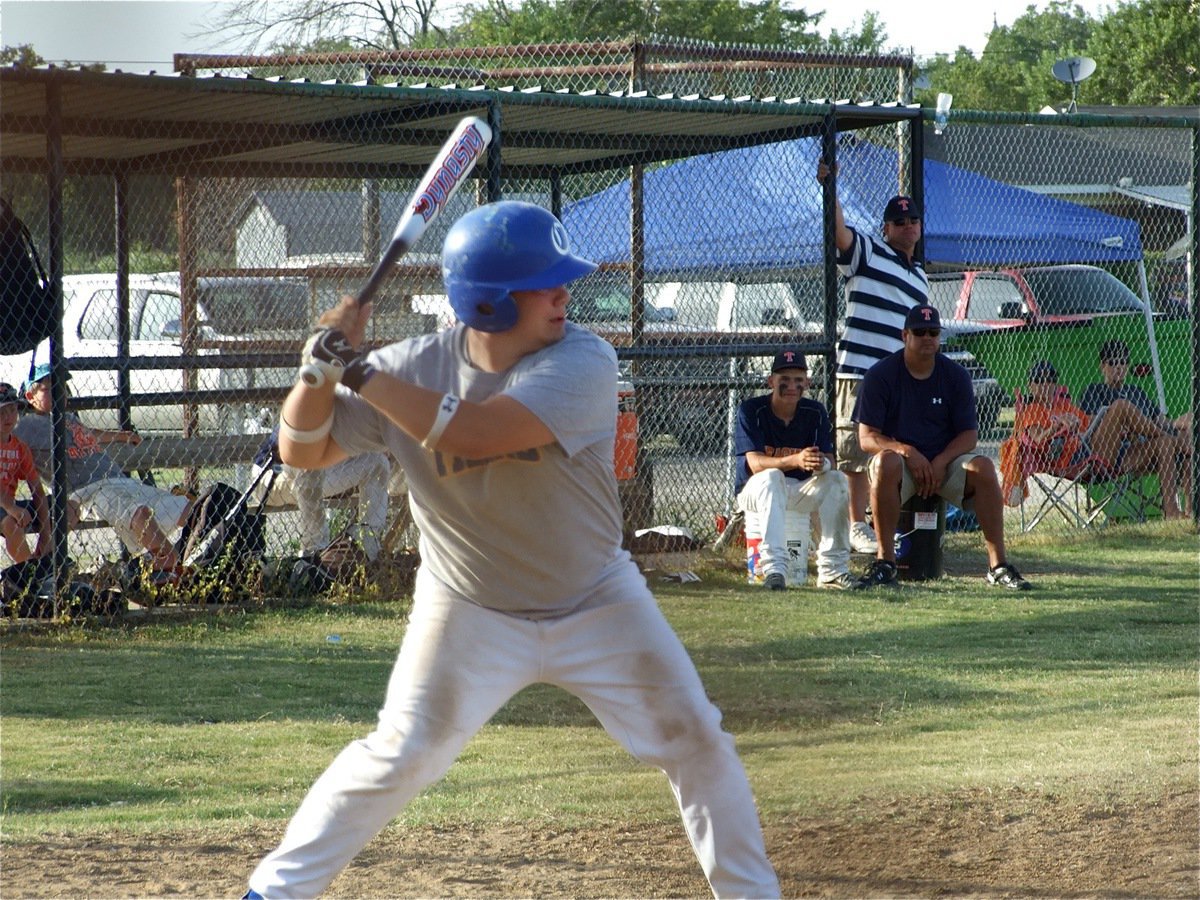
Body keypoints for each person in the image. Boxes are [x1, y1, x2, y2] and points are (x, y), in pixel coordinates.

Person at [243, 201, 780, 899]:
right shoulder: (415, 366)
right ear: (491, 303)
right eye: (543, 283)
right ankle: (272, 893)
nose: (564, 294)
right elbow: (301, 450)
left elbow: (479, 432)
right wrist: (315, 373)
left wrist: (360, 371)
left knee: (696, 739)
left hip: (595, 599)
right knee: (400, 754)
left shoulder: (583, 359)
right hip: (468, 605)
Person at [852, 305, 1032, 591]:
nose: (927, 338)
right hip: (902, 465)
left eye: (933, 332)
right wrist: (907, 451)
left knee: (984, 467)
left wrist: (940, 461)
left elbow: (969, 436)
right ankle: (885, 563)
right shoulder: (880, 374)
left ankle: (998, 566)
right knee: (885, 462)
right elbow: (867, 438)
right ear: (905, 335)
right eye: (920, 332)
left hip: (944, 466)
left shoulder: (955, 375)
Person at [816, 159, 929, 556]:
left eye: (913, 220)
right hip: (860, 371)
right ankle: (856, 525)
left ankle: (885, 528)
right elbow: (839, 233)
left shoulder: (921, 277)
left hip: (897, 379)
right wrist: (830, 188)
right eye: (899, 222)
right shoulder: (868, 250)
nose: (907, 226)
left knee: (889, 452)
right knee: (854, 453)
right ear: (886, 228)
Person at [13, 363, 193, 578]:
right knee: (138, 512)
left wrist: (121, 436)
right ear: (30, 396)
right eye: (48, 388)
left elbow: (89, 434)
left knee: (185, 508)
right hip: (88, 491)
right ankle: (165, 563)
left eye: (62, 386)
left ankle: (182, 559)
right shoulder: (29, 424)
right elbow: (8, 443)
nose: (59, 392)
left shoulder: (68, 419)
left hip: (120, 481)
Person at [733, 349, 854, 590]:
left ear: (807, 383)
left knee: (837, 479)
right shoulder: (751, 410)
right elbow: (755, 464)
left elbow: (829, 459)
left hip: (799, 490)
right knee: (771, 476)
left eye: (798, 380)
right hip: (755, 492)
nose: (792, 386)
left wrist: (820, 463)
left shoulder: (814, 411)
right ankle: (774, 570)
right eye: (784, 379)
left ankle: (833, 571)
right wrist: (796, 460)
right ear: (771, 381)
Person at [1078, 339, 1191, 517]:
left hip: (1136, 451)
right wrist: (1125, 426)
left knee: (1176, 437)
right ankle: (1178, 441)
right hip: (1107, 453)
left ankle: (1179, 510)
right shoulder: (1093, 390)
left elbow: (1162, 421)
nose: (1118, 367)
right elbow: (1090, 424)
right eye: (1112, 362)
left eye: (1123, 362)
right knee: (1121, 406)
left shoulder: (1137, 392)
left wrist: (1181, 423)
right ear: (1102, 366)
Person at [251, 427, 390, 563]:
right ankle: (315, 552)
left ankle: (366, 542)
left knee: (378, 462)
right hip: (270, 476)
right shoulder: (313, 413)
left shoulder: (357, 419)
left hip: (312, 475)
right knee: (309, 461)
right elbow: (290, 450)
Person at [0, 382, 50, 564]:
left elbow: (37, 490)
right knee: (10, 522)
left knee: (62, 506)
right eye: (1, 412)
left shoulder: (20, 447)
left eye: (12, 410)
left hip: (9, 505)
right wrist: (11, 508)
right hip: (6, 507)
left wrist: (45, 534)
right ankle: (29, 571)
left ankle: (47, 561)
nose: (7, 417)